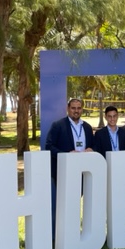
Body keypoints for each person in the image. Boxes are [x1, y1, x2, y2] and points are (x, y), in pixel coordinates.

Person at [45, 98, 94, 238]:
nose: (76, 111)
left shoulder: (87, 127)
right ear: (68, 109)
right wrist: (66, 155)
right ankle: (64, 234)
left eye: (79, 108)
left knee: (77, 200)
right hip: (64, 171)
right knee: (65, 203)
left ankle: (75, 231)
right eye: (73, 108)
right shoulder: (58, 125)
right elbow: (49, 146)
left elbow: (94, 145)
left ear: (82, 109)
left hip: (83, 171)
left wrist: (91, 149)